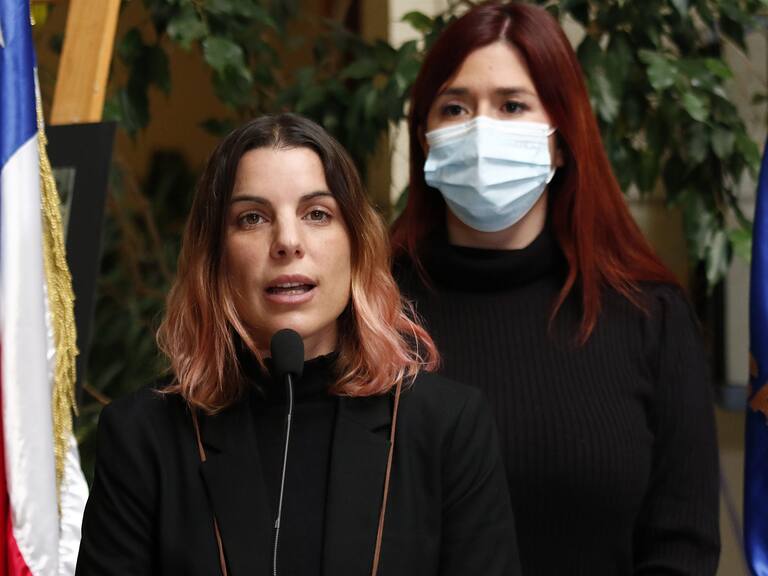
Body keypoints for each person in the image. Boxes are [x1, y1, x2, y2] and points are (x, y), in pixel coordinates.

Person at [76, 114, 519, 576]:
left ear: (356, 244)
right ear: (216, 257)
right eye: (252, 218)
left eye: (317, 214)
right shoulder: (143, 436)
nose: (287, 242)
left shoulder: (447, 427)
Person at [391, 2, 720, 575]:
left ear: (561, 140)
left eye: (512, 105)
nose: (481, 129)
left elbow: (682, 548)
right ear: (425, 140)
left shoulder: (650, 318)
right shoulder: (369, 312)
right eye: (455, 107)